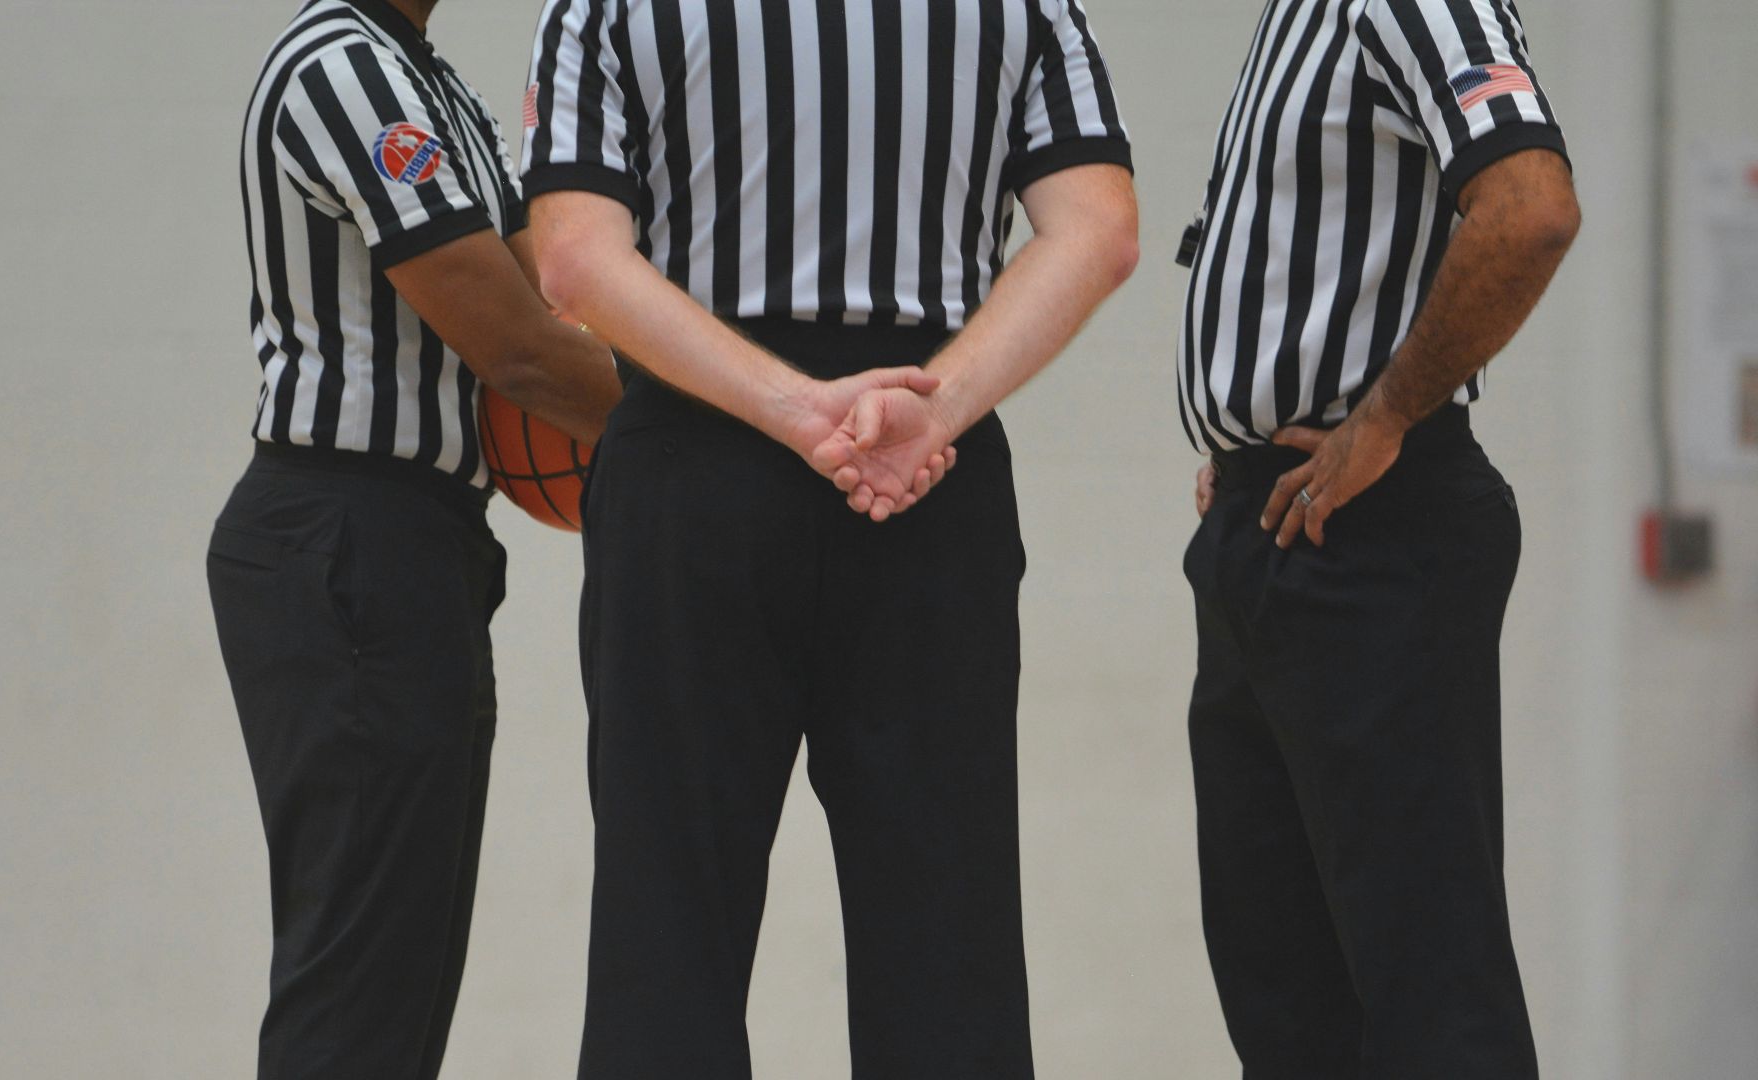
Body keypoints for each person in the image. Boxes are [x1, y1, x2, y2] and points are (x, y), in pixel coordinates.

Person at [519, 2, 1138, 1076]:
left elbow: (572, 260)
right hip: (921, 466)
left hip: (694, 464)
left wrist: (793, 407)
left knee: (666, 932)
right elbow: (1099, 230)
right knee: (949, 942)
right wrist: (936, 411)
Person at [206, 1, 621, 1075]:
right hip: (346, 532)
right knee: (355, 979)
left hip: (422, 544)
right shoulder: (342, 67)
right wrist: (724, 437)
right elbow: (520, 350)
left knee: (401, 983)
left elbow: (562, 300)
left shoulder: (444, 89)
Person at [1176, 1, 1581, 1076]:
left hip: (1372, 537)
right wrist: (1246, 429)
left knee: (1426, 994)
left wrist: (1388, 413)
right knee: (1285, 998)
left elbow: (1531, 207)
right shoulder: (1296, 20)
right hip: (1270, 527)